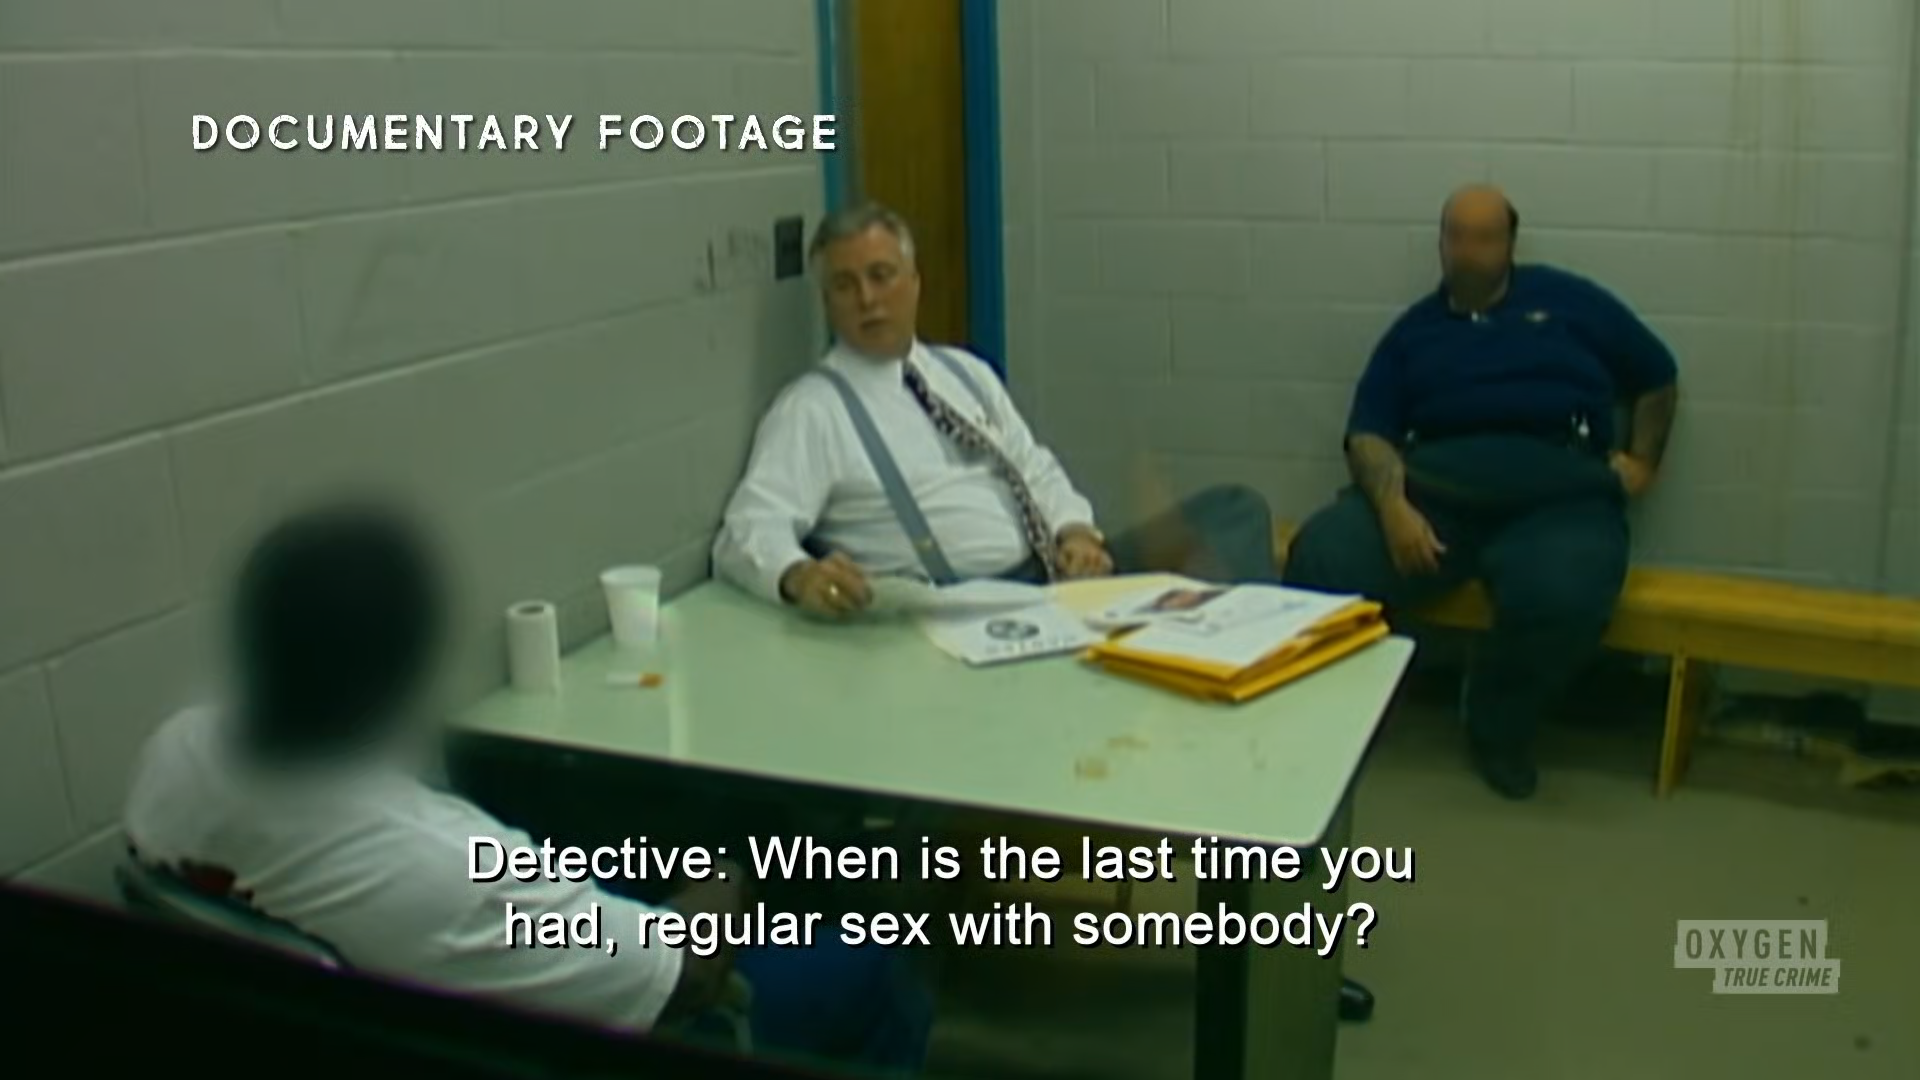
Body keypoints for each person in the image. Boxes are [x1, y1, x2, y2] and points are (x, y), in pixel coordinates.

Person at [123, 504, 933, 1070]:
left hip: (344, 997)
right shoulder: (448, 874)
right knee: (875, 965)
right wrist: (727, 876)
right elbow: (687, 973)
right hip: (628, 1017)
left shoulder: (181, 749)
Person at [1284, 185, 1680, 800]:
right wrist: (1392, 508)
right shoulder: (1414, 332)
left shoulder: (1570, 302)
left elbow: (1657, 373)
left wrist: (1644, 461)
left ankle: (1497, 724)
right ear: (1441, 243)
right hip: (1437, 498)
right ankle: (1333, 715)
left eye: (1484, 238)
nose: (1468, 252)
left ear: (1511, 243)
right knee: (1322, 553)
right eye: (1456, 237)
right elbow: (1367, 434)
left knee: (1566, 591)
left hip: (1558, 498)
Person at [712, 201, 1279, 619]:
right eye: (844, 285)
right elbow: (747, 529)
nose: (867, 299)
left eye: (881, 276)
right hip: (969, 611)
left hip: (1057, 578)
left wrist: (1076, 532)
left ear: (914, 282)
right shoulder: (813, 408)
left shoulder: (963, 372)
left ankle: (1227, 650)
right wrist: (797, 575)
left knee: (1237, 510)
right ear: (827, 301)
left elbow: (1032, 465)